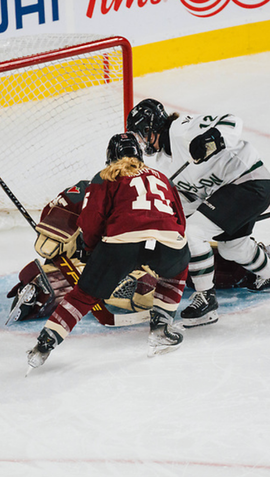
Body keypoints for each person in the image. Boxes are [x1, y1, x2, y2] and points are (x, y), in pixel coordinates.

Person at [26, 132, 190, 371]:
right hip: (168, 242)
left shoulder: (105, 176)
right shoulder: (162, 177)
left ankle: (46, 342)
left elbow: (91, 221)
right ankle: (161, 330)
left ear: (109, 156)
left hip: (120, 244)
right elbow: (180, 220)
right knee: (177, 271)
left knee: (84, 295)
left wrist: (93, 250)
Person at [126, 99, 270, 328]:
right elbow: (186, 202)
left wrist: (211, 138)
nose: (142, 142)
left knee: (192, 233)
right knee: (231, 247)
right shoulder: (165, 162)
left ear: (151, 128)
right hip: (228, 192)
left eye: (141, 134)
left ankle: (206, 299)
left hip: (250, 181)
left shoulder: (182, 130)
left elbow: (232, 122)